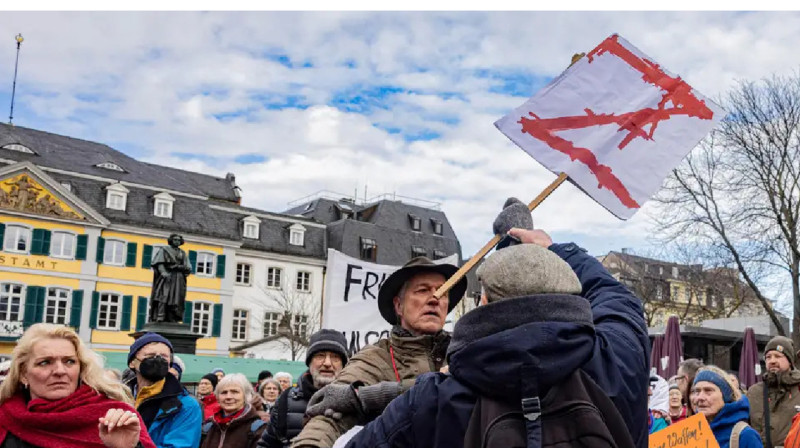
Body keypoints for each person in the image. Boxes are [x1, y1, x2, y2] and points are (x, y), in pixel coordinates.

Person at [341, 228, 649, 448]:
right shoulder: (620, 361)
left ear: (484, 304)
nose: (434, 299)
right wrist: (553, 249)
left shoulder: (435, 401)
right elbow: (619, 299)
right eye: (422, 291)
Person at [292, 254, 468, 448]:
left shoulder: (464, 353)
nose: (435, 299)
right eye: (423, 290)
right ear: (398, 305)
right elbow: (330, 414)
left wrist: (366, 397)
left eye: (442, 293)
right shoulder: (374, 358)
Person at [0, 323, 156, 448]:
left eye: (69, 361)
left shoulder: (116, 417)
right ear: (23, 374)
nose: (60, 371)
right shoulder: (6, 418)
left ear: (81, 367)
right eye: (45, 362)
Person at [259, 330, 348, 448]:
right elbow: (266, 445)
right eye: (320, 356)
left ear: (343, 365)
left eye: (335, 357)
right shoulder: (285, 400)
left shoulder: (356, 402)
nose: (327, 363)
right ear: (309, 362)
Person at [127, 332, 202, 448]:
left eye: (164, 356)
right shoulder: (118, 397)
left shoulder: (186, 405)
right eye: (150, 355)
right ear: (132, 362)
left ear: (170, 364)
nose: (157, 359)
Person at [747, 336, 800, 448]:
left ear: (790, 361)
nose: (772, 361)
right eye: (768, 357)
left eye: (778, 356)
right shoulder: (754, 392)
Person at [691, 366, 762, 448]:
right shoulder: (688, 434)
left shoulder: (746, 436)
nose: (700, 397)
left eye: (708, 391)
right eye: (697, 391)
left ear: (725, 396)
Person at [200, 374, 267, 448]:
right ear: (218, 397)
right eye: (224, 392)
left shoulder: (258, 428)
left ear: (245, 395)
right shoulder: (209, 427)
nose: (228, 397)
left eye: (235, 392)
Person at [149, 234, 193, 323]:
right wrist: (164, 273)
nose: (177, 241)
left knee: (176, 298)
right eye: (175, 239)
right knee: (163, 296)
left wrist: (184, 268)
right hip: (167, 275)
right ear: (171, 240)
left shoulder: (183, 253)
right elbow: (159, 263)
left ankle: (172, 317)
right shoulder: (164, 250)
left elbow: (188, 267)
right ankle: (160, 315)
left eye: (178, 240)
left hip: (179, 277)